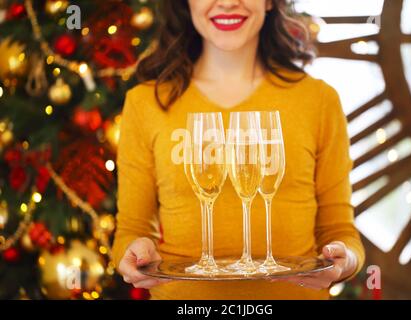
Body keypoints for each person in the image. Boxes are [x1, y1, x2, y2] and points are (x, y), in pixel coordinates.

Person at [112, 0, 365, 299]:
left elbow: (340, 227)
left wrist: (345, 260)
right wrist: (133, 253)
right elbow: (131, 228)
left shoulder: (319, 101)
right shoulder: (145, 104)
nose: (229, 3)